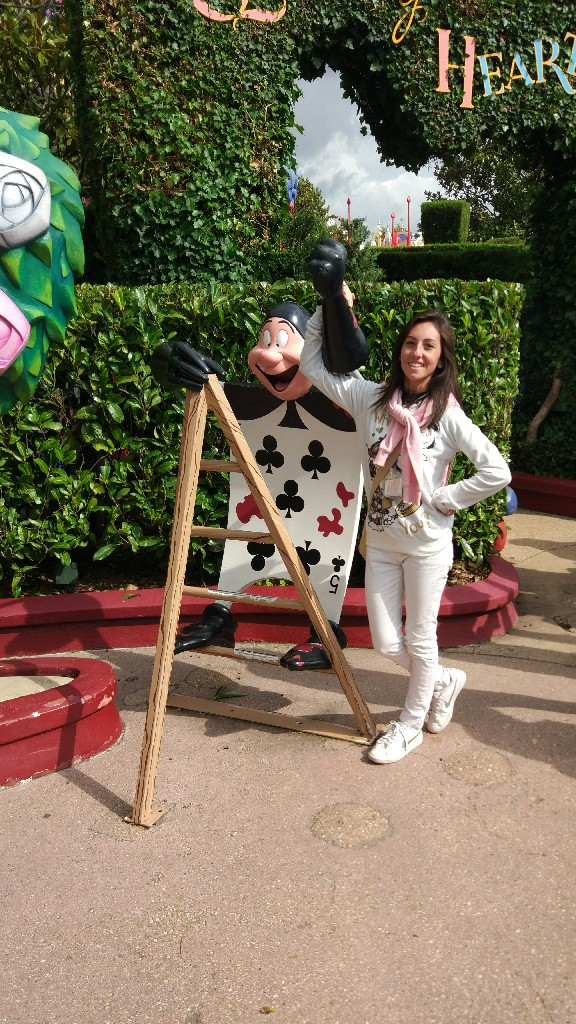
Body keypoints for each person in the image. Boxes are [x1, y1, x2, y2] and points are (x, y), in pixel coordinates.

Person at [303, 239, 512, 764]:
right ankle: (442, 682)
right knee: (384, 642)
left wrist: (446, 499)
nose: (417, 353)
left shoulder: (447, 415)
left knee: (420, 641)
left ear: (440, 360)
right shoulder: (369, 399)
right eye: (411, 343)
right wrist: (329, 300)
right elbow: (311, 364)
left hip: (426, 546)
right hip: (381, 543)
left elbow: (497, 471)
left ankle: (408, 725)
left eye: (429, 347)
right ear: (400, 349)